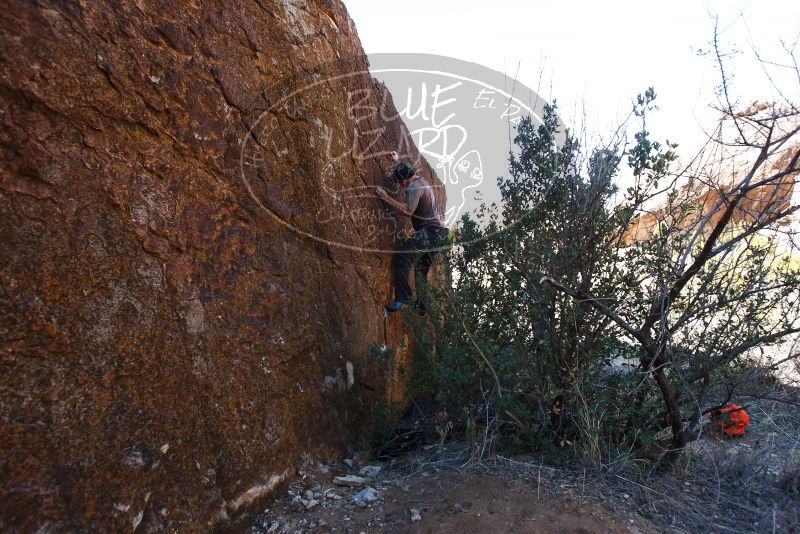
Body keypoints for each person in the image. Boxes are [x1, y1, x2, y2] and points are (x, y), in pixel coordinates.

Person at [376, 154, 449, 312]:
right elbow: (407, 169)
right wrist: (397, 161)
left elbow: (408, 210)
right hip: (441, 234)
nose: (401, 188)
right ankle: (421, 306)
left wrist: (386, 197)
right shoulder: (419, 179)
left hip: (431, 232)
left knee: (403, 255)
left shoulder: (414, 187)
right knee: (421, 268)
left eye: (400, 184)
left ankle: (402, 299)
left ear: (403, 181)